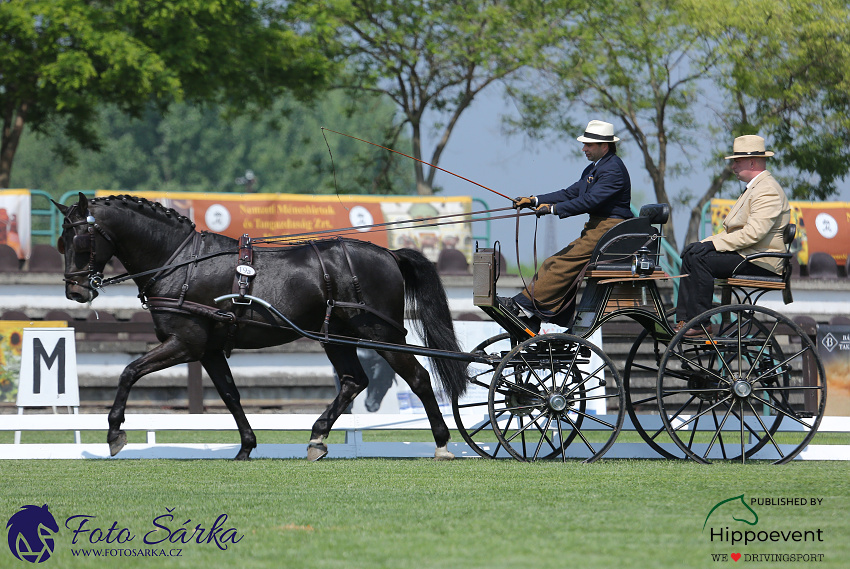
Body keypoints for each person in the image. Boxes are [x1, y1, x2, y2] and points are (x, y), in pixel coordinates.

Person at [501, 119, 633, 331]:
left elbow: (590, 201)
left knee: (564, 264)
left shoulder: (613, 170)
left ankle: (522, 304)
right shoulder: (595, 168)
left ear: (604, 146)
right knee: (552, 262)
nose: (584, 149)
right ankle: (533, 314)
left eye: (588, 145)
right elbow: (570, 193)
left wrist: (552, 210)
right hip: (597, 228)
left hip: (610, 229)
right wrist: (534, 200)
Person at [675, 134, 790, 336]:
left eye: (737, 161)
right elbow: (733, 232)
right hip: (749, 254)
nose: (733, 166)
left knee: (701, 259)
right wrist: (703, 243)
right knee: (692, 254)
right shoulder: (754, 189)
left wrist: (710, 246)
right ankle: (685, 320)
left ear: (752, 162)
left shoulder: (767, 190)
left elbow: (752, 234)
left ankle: (701, 323)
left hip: (761, 261)